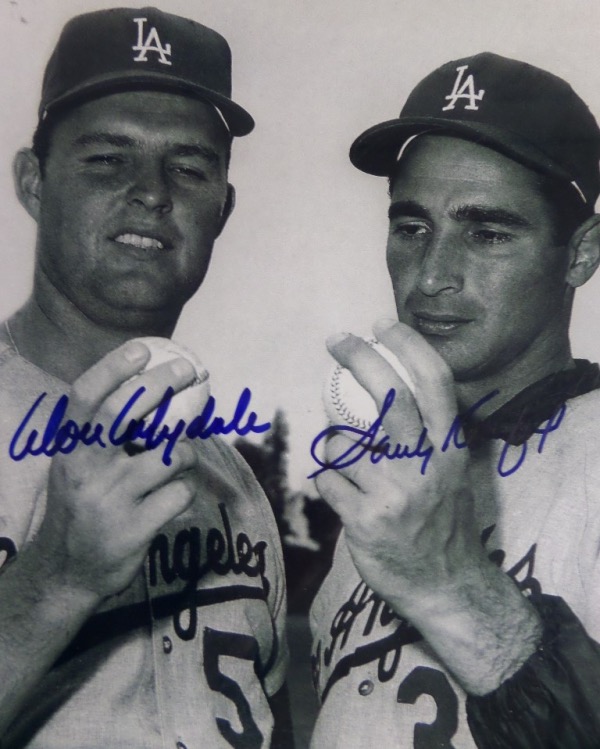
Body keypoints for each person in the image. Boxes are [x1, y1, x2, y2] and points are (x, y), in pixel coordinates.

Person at [0, 7, 290, 748]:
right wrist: (57, 577)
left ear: (221, 208)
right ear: (33, 182)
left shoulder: (236, 482)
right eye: (107, 158)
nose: (152, 192)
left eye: (189, 168)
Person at [310, 52, 600, 747]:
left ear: (581, 253)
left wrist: (454, 587)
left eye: (488, 233)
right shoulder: (379, 504)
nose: (433, 275)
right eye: (412, 228)